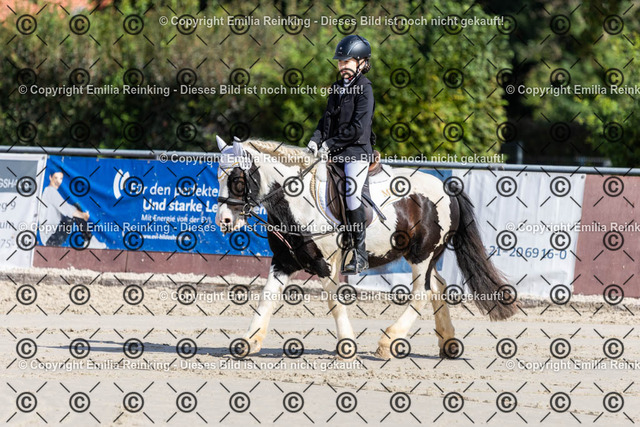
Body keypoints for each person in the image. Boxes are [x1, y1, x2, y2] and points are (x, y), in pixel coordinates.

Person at [307, 34, 376, 275]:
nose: (342, 66)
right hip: (334, 151)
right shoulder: (336, 88)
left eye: (347, 61)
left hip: (356, 153)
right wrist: (315, 140)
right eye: (340, 62)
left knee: (351, 194)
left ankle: (360, 254)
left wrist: (330, 144)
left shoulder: (365, 89)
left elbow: (357, 128)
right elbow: (325, 120)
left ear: (362, 63)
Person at [39, 171, 105, 248]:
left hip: (49, 238)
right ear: (50, 177)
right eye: (55, 178)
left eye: (60, 178)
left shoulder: (47, 192)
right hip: (52, 237)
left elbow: (63, 211)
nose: (58, 181)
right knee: (75, 208)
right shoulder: (50, 191)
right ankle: (89, 240)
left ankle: (89, 240)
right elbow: (66, 209)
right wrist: (82, 215)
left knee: (74, 211)